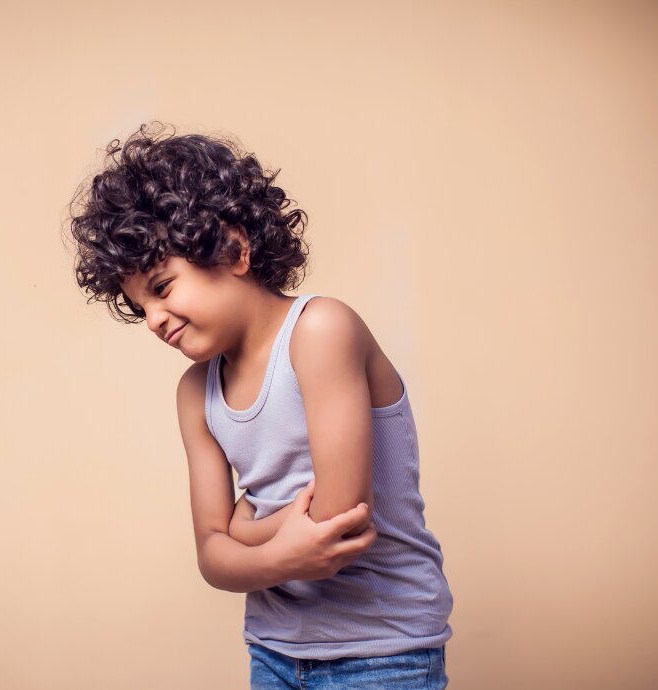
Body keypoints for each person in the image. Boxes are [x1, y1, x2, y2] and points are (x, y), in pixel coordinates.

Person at [66, 122, 453, 689]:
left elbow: (337, 526)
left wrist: (242, 529)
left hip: (382, 653)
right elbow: (209, 554)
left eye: (163, 287)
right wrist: (270, 552)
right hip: (273, 651)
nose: (153, 319)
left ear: (235, 249)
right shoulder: (196, 393)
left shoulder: (321, 331)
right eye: (139, 305)